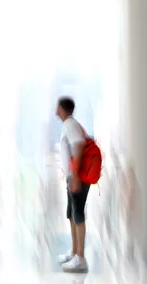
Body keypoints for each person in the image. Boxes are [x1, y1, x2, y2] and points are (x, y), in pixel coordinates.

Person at [56, 97, 90, 272]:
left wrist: (75, 175)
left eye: (57, 106)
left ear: (61, 109)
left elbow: (78, 145)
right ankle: (75, 252)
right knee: (71, 214)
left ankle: (81, 258)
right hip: (74, 177)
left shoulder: (69, 124)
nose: (56, 109)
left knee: (77, 214)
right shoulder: (69, 124)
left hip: (79, 177)